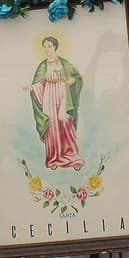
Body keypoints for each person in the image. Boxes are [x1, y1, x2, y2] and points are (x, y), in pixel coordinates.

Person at [27, 36, 84, 171]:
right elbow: (39, 83)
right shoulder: (42, 65)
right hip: (49, 97)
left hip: (63, 95)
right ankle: (53, 159)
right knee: (51, 125)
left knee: (65, 122)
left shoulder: (64, 63)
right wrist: (32, 88)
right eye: (44, 46)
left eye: (49, 46)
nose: (46, 49)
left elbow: (77, 77)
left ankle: (73, 157)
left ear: (55, 47)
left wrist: (72, 80)